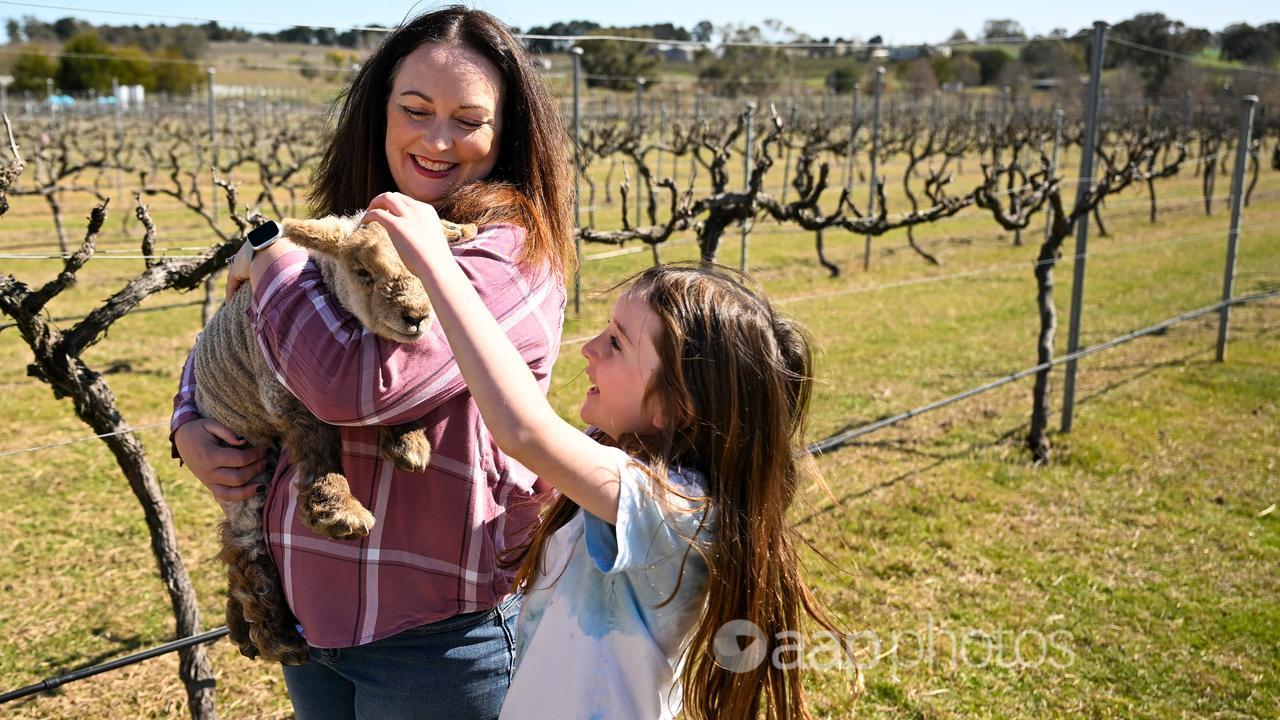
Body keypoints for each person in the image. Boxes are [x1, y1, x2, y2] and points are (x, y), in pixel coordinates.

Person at [170, 7, 574, 719]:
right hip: (316, 614)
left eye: (468, 120)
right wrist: (187, 425)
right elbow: (244, 339)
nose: (437, 139)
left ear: (506, 130)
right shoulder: (362, 230)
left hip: (436, 637)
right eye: (415, 110)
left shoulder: (506, 253)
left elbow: (350, 387)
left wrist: (272, 253)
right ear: (379, 113)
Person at [365, 188, 859, 719]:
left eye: (618, 342)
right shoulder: (628, 478)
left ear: (678, 406)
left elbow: (524, 430)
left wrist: (436, 267)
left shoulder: (676, 510)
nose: (590, 349)